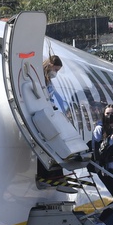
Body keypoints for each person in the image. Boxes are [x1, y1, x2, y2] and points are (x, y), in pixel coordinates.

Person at [36, 54, 76, 194]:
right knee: (52, 144)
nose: (55, 73)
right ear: (49, 65)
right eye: (55, 70)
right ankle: (53, 176)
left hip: (49, 114)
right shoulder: (39, 78)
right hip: (42, 116)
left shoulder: (47, 80)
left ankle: (56, 176)